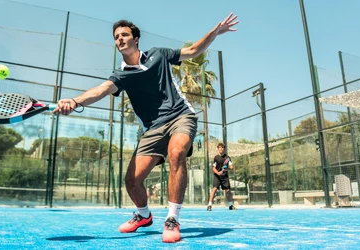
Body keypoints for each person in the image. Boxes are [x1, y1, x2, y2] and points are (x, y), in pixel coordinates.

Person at [53, 13, 239, 243]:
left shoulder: (159, 54)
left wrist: (214, 33)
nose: (120, 39)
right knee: (131, 180)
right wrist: (75, 101)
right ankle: (143, 215)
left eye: (124, 35)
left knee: (177, 152)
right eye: (116, 37)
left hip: (181, 115)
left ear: (136, 39)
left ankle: (172, 219)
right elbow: (100, 90)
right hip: (152, 129)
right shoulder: (121, 75)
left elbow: (192, 52)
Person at [207, 142, 237, 211]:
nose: (221, 149)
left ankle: (230, 205)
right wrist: (218, 173)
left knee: (228, 191)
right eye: (220, 147)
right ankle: (209, 205)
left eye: (222, 147)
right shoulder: (216, 158)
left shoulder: (227, 158)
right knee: (214, 189)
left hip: (225, 177)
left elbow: (231, 166)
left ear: (224, 149)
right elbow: (213, 168)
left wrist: (229, 168)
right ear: (218, 149)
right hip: (217, 176)